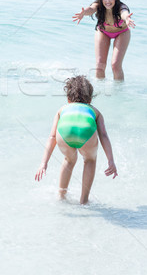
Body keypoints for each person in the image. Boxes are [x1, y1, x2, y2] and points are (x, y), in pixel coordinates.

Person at [35, 75, 117, 204]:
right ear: (90, 99)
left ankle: (61, 195)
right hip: (87, 132)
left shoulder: (62, 109)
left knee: (69, 159)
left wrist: (44, 163)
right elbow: (104, 135)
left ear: (68, 99)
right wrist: (111, 160)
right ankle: (84, 200)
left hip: (64, 132)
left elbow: (52, 137)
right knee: (90, 160)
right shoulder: (96, 111)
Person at [72, 0, 135, 80]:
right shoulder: (98, 5)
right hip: (103, 32)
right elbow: (91, 9)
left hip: (122, 33)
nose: (108, 1)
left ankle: (118, 92)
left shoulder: (121, 7)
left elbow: (124, 13)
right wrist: (84, 12)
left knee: (115, 65)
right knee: (100, 65)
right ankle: (100, 92)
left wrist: (127, 18)